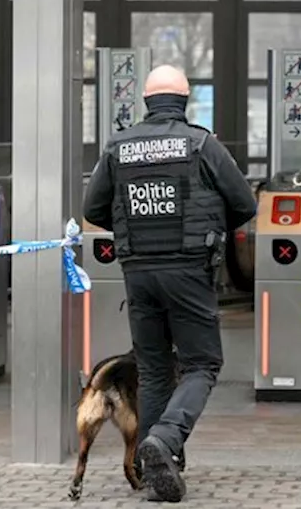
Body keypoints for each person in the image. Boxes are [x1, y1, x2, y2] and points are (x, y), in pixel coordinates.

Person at [83, 64, 256, 503]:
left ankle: (154, 464)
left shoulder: (118, 147)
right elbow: (244, 202)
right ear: (184, 101)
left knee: (154, 366)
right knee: (202, 363)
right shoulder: (201, 143)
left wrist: (132, 227)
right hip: (189, 269)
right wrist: (211, 226)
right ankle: (165, 439)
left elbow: (94, 207)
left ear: (146, 101)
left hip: (138, 270)